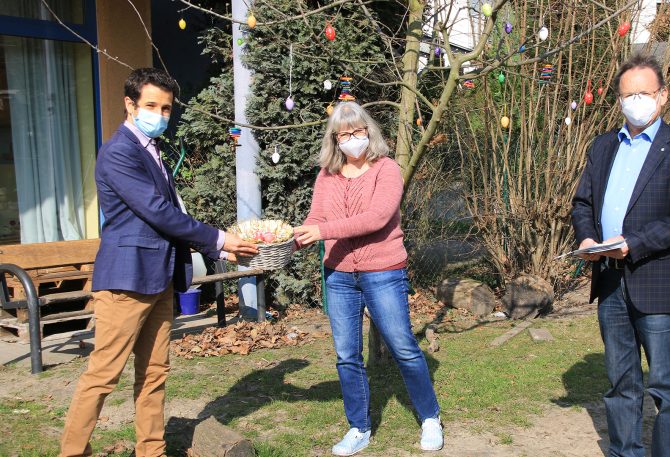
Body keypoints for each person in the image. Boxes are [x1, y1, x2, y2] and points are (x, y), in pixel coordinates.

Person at [59, 68, 257, 457]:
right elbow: (157, 213)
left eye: (166, 108)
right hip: (125, 282)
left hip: (159, 278)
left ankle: (151, 451)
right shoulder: (119, 152)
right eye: (151, 106)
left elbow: (168, 221)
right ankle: (72, 452)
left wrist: (219, 250)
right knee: (103, 375)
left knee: (153, 375)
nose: (160, 115)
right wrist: (218, 238)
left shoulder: (153, 150)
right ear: (129, 105)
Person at [571, 54, 670, 457]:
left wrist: (635, 241)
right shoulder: (602, 147)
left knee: (665, 385)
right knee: (620, 382)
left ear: (662, 96)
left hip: (659, 280)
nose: (635, 102)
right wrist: (586, 239)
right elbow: (583, 203)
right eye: (627, 95)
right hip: (610, 280)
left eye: (644, 94)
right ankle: (624, 452)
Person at [294, 101, 443, 455]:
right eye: (344, 134)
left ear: (369, 132)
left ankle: (430, 417)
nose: (352, 139)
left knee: (403, 347)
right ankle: (358, 427)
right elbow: (317, 216)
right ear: (334, 139)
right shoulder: (326, 174)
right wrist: (299, 236)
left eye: (358, 131)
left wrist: (324, 230)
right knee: (347, 354)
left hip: (383, 271)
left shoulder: (386, 169)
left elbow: (377, 217)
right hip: (339, 275)